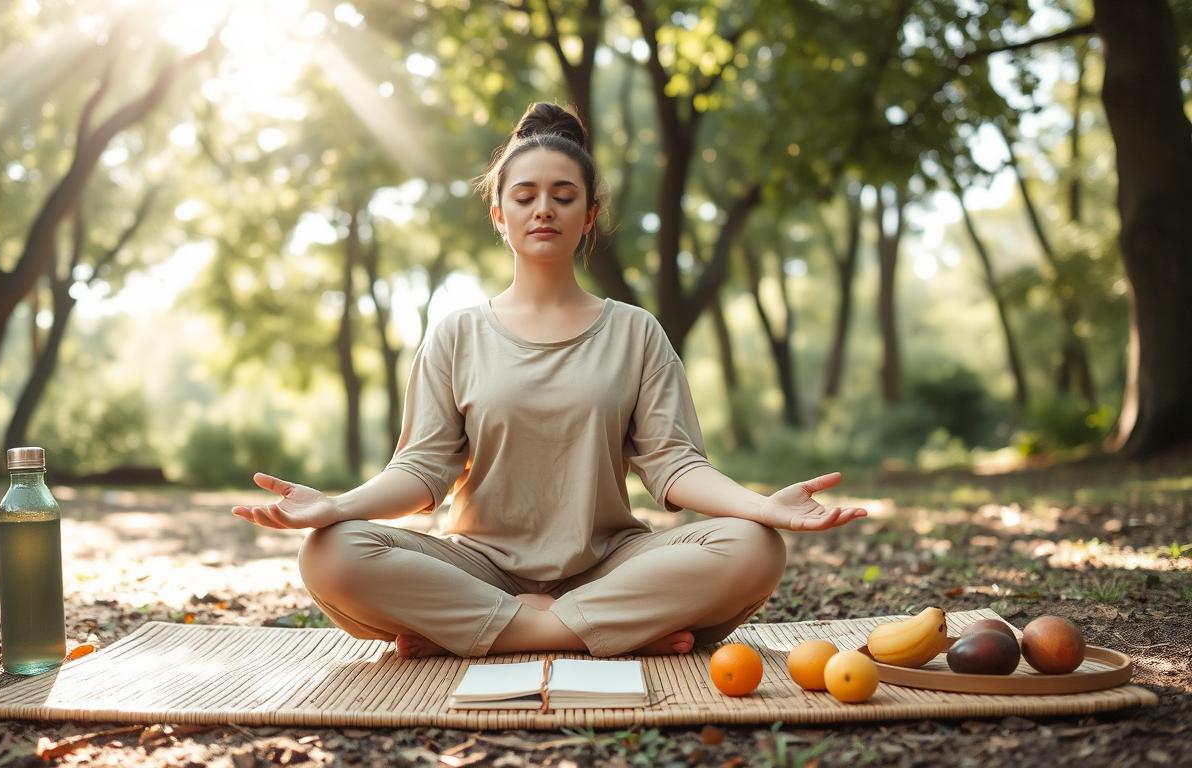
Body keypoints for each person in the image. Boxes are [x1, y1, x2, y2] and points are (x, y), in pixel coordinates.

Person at [232, 102, 867, 659]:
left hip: (610, 566)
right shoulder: (456, 333)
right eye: (525, 195)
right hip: (478, 569)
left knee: (754, 549)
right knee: (330, 553)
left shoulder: (635, 331)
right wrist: (337, 507)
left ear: (589, 216)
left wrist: (762, 507)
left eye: (564, 196)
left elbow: (674, 466)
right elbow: (422, 471)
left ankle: (485, 636)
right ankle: (599, 633)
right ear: (498, 213)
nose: (544, 209)